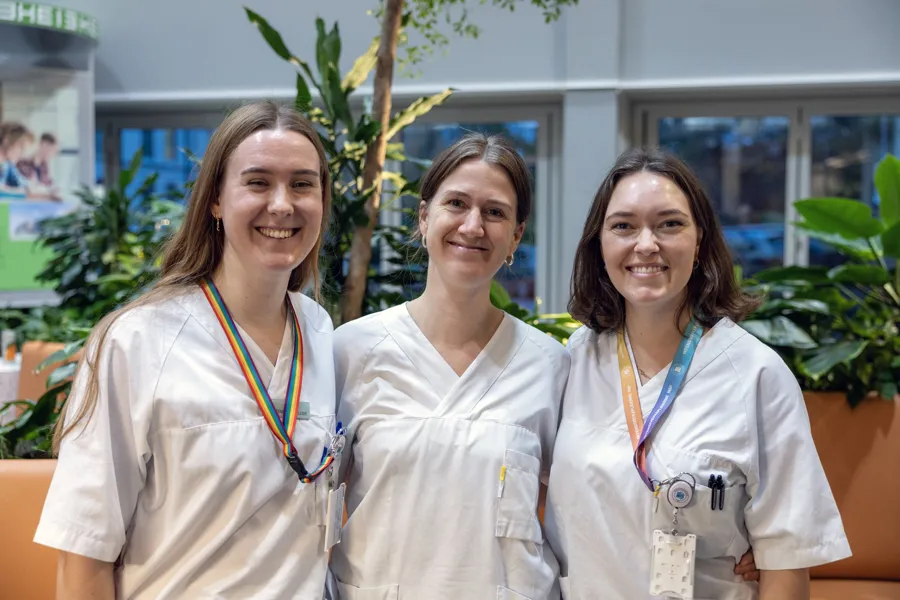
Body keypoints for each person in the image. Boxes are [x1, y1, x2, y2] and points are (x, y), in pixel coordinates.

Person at [33, 101, 341, 599]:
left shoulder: (320, 331)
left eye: (303, 184)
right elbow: (84, 551)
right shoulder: (137, 341)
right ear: (215, 199)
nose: (282, 204)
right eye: (258, 182)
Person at [544, 147, 851, 599]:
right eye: (623, 226)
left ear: (700, 240)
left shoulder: (756, 375)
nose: (646, 244)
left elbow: (786, 559)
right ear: (600, 244)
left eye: (669, 224)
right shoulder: (573, 361)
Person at [331, 133, 568, 599]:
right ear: (424, 217)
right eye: (456, 203)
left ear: (516, 235)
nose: (473, 226)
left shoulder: (551, 366)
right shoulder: (351, 350)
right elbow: (305, 501)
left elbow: (590, 503)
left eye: (495, 212)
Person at [17, 132, 62, 200]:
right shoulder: (23, 164)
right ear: (44, 145)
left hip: (39, 203)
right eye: (53, 151)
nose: (53, 155)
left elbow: (48, 184)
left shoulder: (44, 167)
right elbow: (27, 188)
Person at [0, 122, 34, 199]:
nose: (22, 154)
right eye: (21, 147)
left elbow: (24, 184)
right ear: (7, 141)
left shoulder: (7, 166)